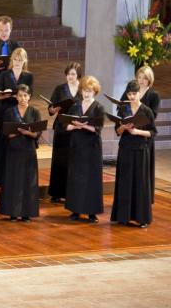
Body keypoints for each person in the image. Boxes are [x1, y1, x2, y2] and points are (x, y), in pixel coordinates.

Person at [111, 81, 156, 228]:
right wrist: (123, 127)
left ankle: (141, 218)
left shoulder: (146, 111)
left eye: (134, 94)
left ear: (139, 93)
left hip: (140, 150)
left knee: (140, 183)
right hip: (125, 148)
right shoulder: (123, 109)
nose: (131, 97)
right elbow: (117, 131)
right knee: (124, 182)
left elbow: (152, 132)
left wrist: (137, 131)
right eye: (129, 94)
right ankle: (123, 217)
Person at [65, 76, 105, 223]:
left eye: (89, 91)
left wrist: (84, 126)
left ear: (94, 91)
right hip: (77, 146)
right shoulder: (75, 106)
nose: (86, 94)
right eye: (84, 90)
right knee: (76, 178)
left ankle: (91, 212)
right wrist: (75, 126)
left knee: (91, 179)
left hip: (92, 148)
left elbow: (98, 129)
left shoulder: (99, 107)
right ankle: (75, 210)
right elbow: (66, 126)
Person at [0, 84, 41, 222]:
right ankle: (12, 212)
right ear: (16, 96)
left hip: (28, 151)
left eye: (25, 95)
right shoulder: (10, 112)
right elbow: (6, 133)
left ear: (29, 97)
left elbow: (36, 133)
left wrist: (27, 132)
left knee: (28, 182)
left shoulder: (35, 112)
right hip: (13, 151)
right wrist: (20, 132)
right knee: (13, 181)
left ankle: (26, 213)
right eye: (20, 95)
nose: (23, 98)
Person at [0, 47, 33, 185]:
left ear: (24, 61)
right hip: (5, 111)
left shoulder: (28, 76)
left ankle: (16, 175)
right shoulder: (4, 74)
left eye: (20, 60)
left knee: (17, 143)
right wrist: (2, 94)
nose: (17, 62)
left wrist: (20, 96)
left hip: (20, 112)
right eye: (15, 59)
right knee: (2, 144)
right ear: (11, 60)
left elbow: (30, 94)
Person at [121, 65, 160, 202]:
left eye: (144, 78)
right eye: (139, 77)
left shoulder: (153, 95)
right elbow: (121, 105)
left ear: (149, 80)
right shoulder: (131, 91)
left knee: (144, 170)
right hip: (129, 136)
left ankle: (145, 198)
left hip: (144, 136)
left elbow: (152, 116)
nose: (142, 80)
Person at [47, 62, 83, 203]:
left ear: (78, 75)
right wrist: (53, 109)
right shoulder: (60, 89)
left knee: (74, 160)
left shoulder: (83, 89)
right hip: (62, 126)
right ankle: (56, 193)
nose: (70, 76)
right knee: (59, 160)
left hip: (76, 127)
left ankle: (72, 193)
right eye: (68, 74)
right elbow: (50, 108)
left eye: (73, 74)